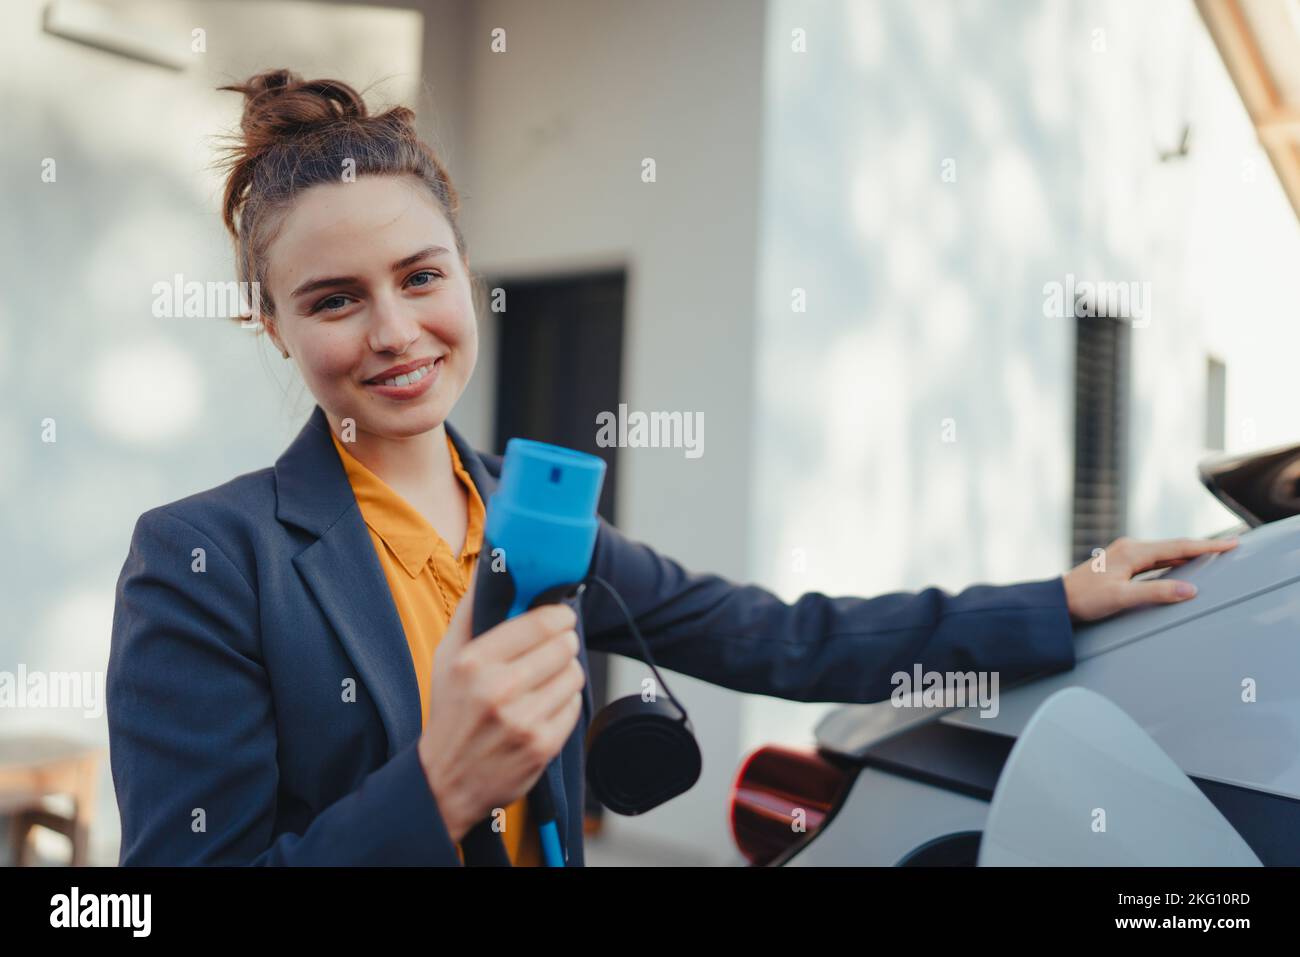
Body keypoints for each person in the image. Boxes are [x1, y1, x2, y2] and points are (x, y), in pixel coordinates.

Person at [106, 69, 1237, 867]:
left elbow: (785, 637)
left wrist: (1060, 596)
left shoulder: (531, 520)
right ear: (271, 326)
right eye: (335, 299)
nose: (396, 329)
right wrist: (438, 785)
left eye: (420, 275)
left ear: (465, 273)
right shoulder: (202, 558)